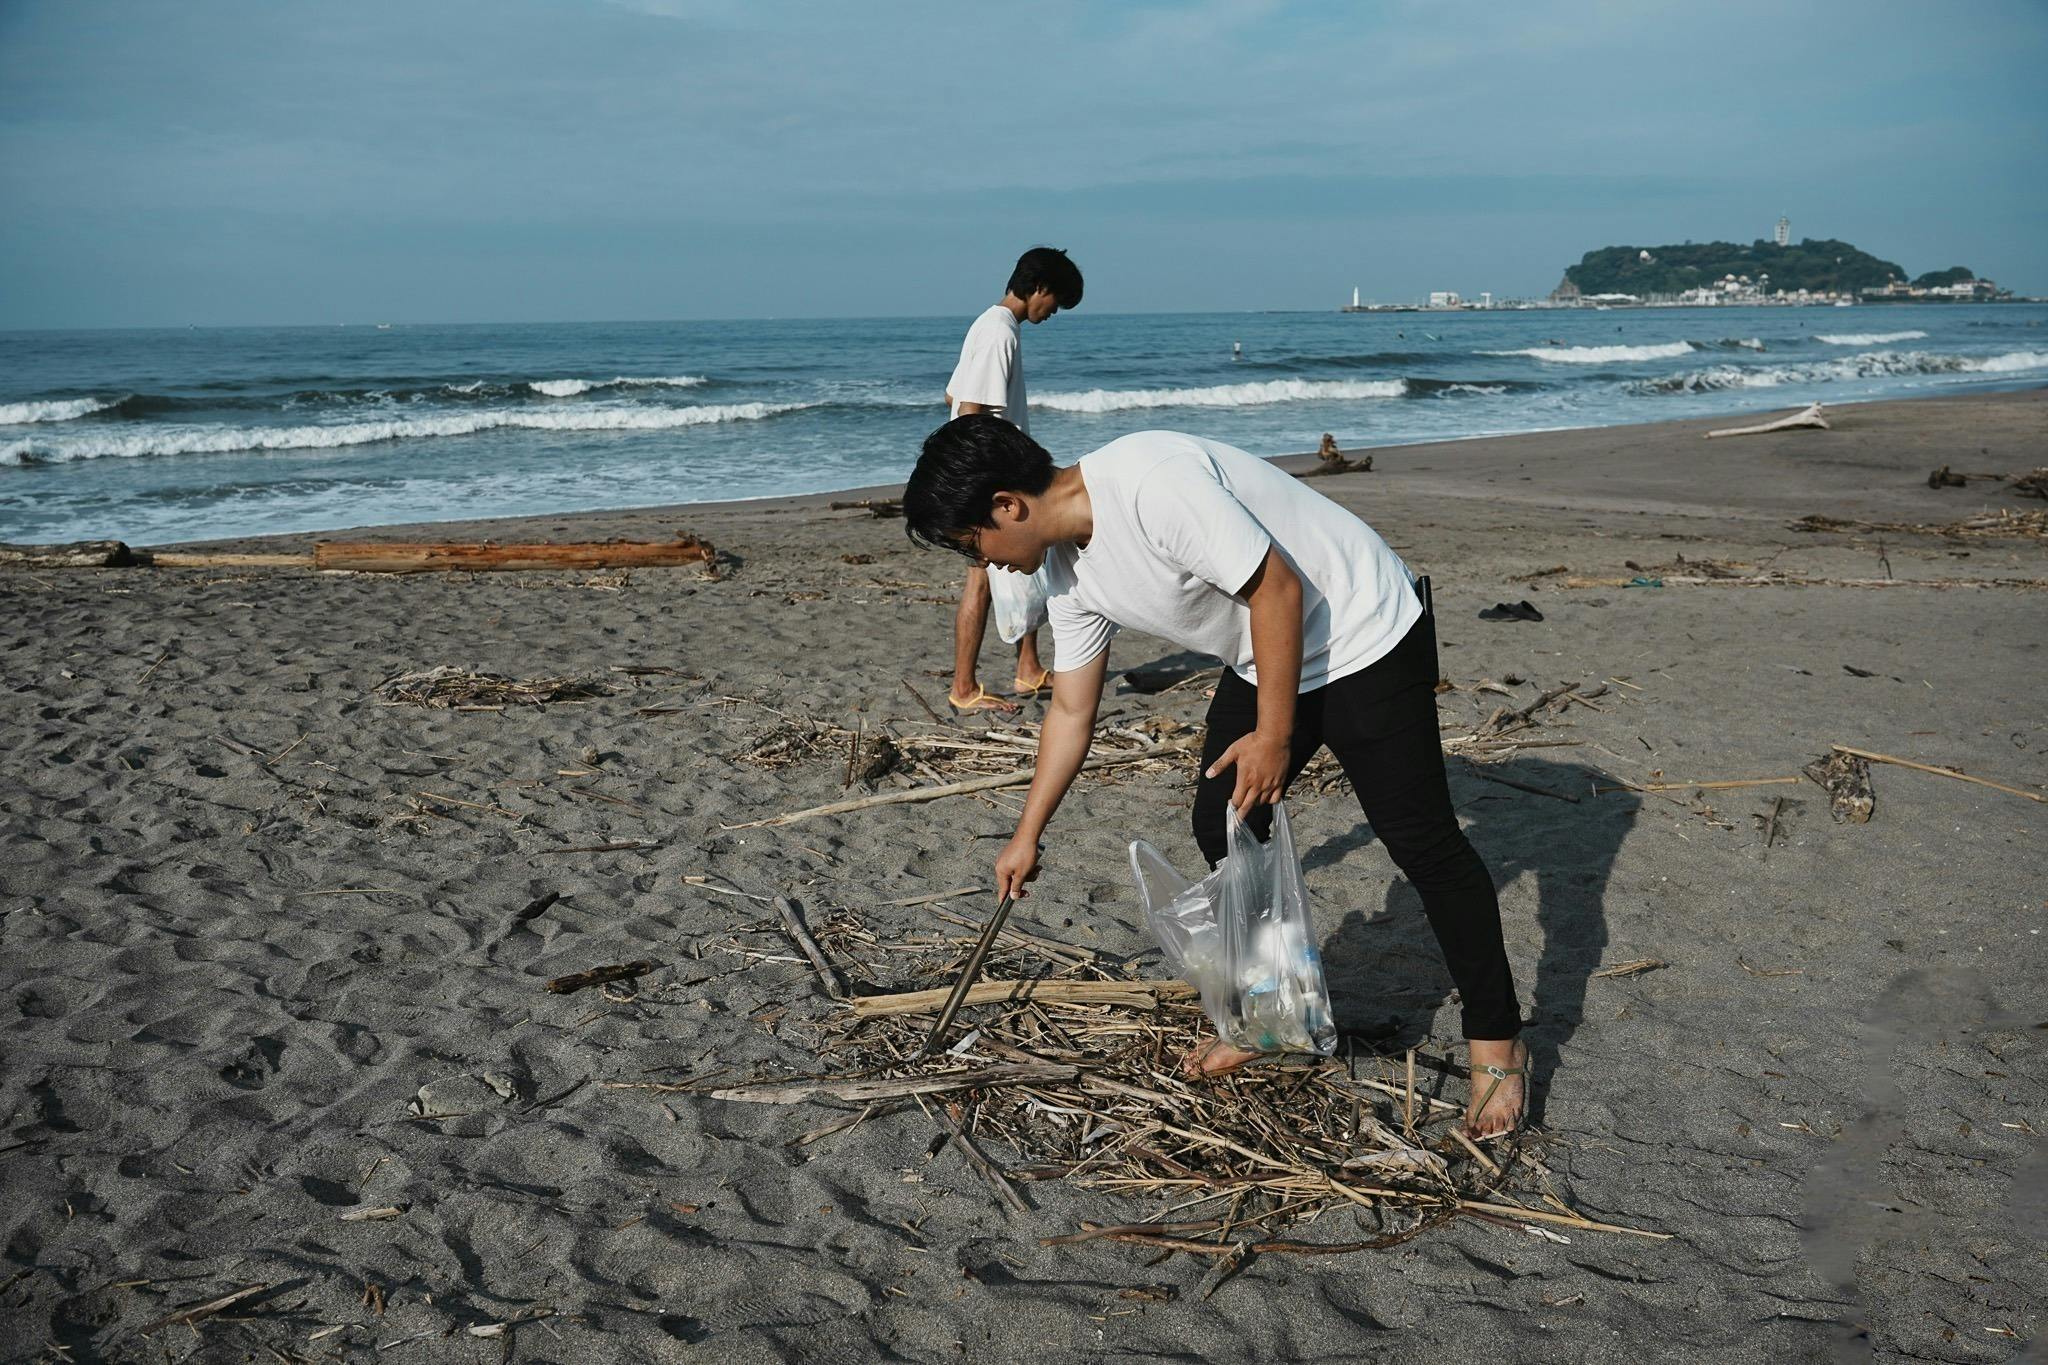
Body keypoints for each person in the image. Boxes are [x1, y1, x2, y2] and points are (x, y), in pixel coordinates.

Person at [902, 416, 1528, 1138]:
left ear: (1007, 505)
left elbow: (1278, 587)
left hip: (1364, 628)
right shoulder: (1065, 573)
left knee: (1420, 840)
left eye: (969, 544)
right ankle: (1271, 1015)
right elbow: (1072, 709)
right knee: (1222, 822)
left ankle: (1497, 1046)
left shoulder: (1148, 483)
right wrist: (1027, 833)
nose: (981, 563)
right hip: (1270, 651)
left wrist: (1274, 734)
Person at [940, 247, 1084, 713]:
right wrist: (988, 484)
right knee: (983, 578)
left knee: (1026, 563)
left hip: (999, 471)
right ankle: (963, 687)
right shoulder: (999, 333)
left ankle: (1027, 668)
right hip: (991, 477)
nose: (1053, 313)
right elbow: (969, 414)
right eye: (1055, 302)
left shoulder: (992, 326)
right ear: (1038, 288)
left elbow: (953, 391)